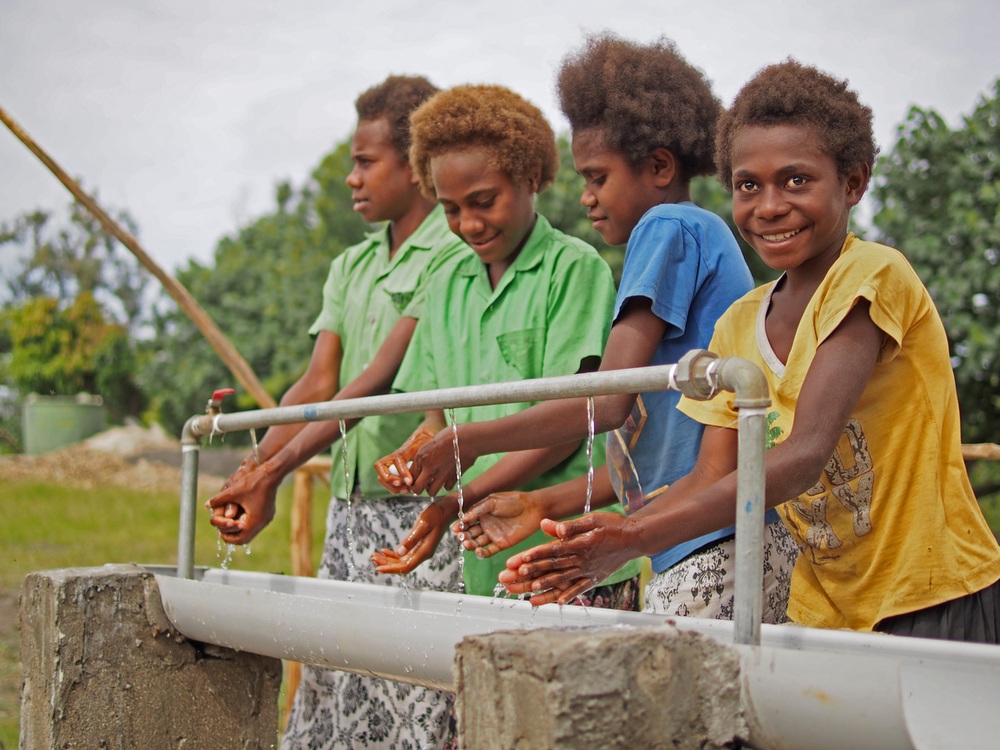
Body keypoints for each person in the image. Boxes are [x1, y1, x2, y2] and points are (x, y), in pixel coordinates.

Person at [500, 60, 1000, 644]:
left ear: (854, 182)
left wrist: (636, 537)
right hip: (823, 611)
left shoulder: (871, 276)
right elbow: (711, 472)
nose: (767, 206)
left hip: (931, 591)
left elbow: (804, 455)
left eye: (796, 181)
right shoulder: (739, 324)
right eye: (747, 185)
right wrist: (620, 534)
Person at [393, 34, 797, 621]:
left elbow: (606, 404)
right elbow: (658, 457)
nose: (585, 198)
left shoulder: (668, 227)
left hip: (713, 542)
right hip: (700, 536)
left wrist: (467, 441)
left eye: (597, 177)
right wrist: (541, 502)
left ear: (659, 166)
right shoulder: (691, 236)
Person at [205, 75, 471, 749]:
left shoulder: (453, 250)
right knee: (340, 693)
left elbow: (372, 387)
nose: (351, 178)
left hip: (415, 512)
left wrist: (278, 469)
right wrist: (257, 464)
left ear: (416, 168)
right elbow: (317, 382)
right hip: (350, 513)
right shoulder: (350, 267)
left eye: (364, 161)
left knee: (410, 698)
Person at [370, 83, 643, 608]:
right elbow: (437, 416)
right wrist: (415, 455)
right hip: (482, 556)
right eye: (450, 209)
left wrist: (457, 494)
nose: (469, 224)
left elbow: (570, 423)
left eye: (483, 201)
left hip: (567, 557)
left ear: (531, 177)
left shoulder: (574, 269)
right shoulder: (446, 280)